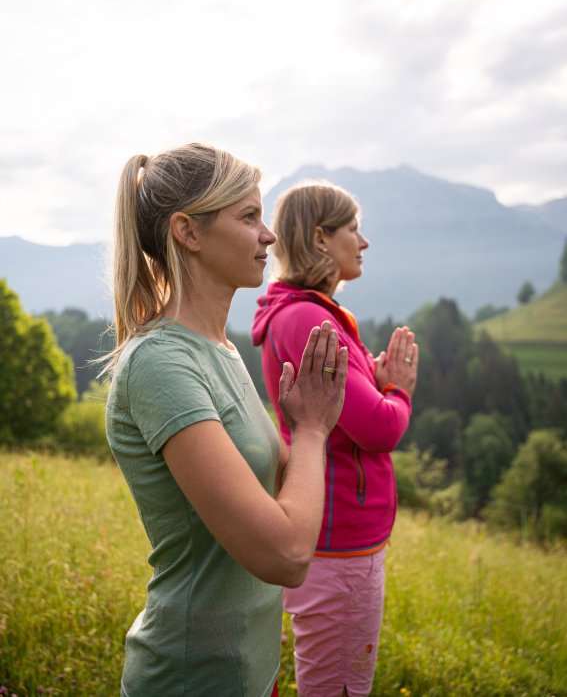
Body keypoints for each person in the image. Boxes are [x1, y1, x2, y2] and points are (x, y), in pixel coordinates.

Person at [104, 144, 348, 697]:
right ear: (188, 231)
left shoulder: (220, 349)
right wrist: (310, 430)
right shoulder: (160, 364)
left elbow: (281, 491)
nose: (269, 236)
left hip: (246, 672)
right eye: (248, 217)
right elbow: (284, 554)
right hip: (190, 677)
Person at [252, 180, 419, 697]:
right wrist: (400, 391)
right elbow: (378, 428)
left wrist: (370, 372)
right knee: (339, 686)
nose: (363, 241)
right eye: (353, 228)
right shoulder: (308, 318)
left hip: (333, 526)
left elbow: (339, 400)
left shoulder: (308, 313)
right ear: (321, 238)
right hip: (340, 533)